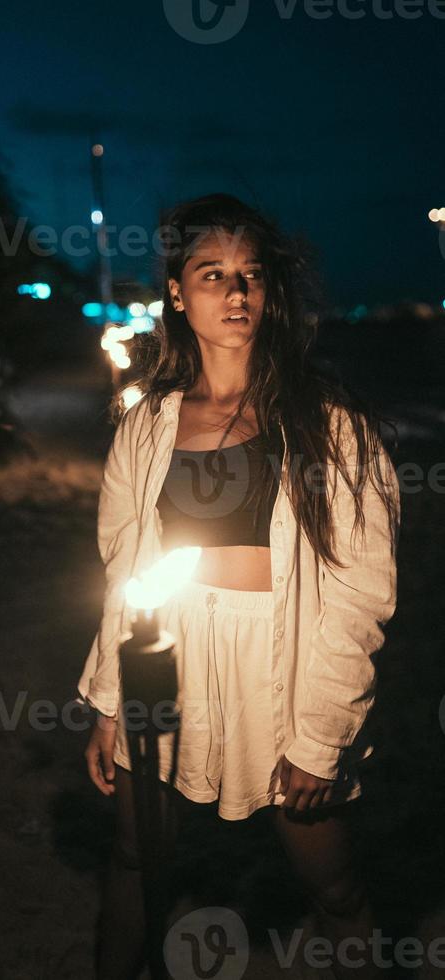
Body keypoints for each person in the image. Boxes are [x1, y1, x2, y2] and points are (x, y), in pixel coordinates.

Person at [76, 193, 401, 979]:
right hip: (168, 662)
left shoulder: (329, 424)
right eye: (213, 273)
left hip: (281, 668)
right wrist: (112, 703)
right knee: (131, 862)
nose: (237, 292)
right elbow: (126, 571)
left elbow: (362, 591)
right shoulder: (148, 423)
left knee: (332, 885)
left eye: (251, 275)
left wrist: (322, 734)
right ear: (178, 294)